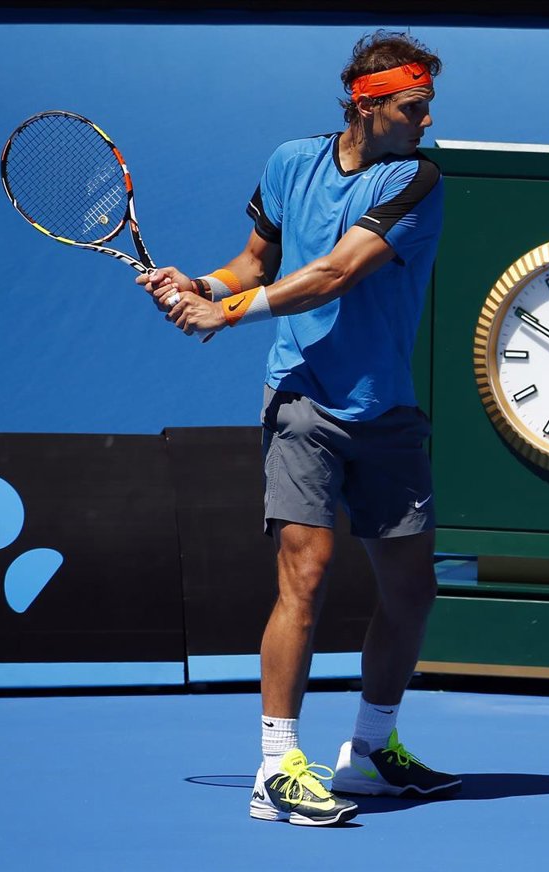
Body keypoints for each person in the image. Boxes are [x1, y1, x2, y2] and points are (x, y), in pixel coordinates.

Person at [138, 30, 459, 827]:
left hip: (384, 406)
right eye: (413, 108)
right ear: (367, 105)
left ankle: (370, 752)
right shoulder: (291, 163)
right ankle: (279, 765)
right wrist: (203, 283)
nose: (426, 121)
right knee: (305, 576)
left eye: (428, 108)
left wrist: (227, 310)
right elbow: (258, 260)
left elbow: (334, 273)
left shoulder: (417, 179)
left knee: (412, 590)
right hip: (302, 401)